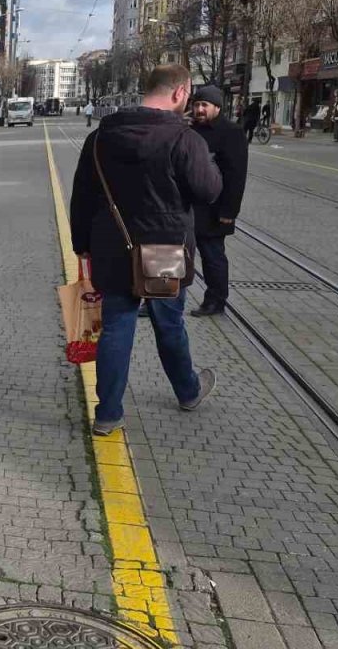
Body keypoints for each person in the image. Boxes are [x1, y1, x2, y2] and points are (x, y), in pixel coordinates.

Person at [69, 64, 222, 436]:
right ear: (180, 92)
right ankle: (188, 391)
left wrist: (81, 246)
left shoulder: (100, 138)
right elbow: (209, 192)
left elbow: (82, 197)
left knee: (116, 329)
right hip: (166, 252)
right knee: (169, 324)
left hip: (112, 248)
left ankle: (107, 413)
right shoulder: (185, 140)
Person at [189, 85, 248, 317]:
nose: (199, 109)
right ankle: (160, 298)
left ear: (217, 107)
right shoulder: (189, 129)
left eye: (205, 105)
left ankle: (216, 300)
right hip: (187, 207)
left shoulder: (231, 132)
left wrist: (229, 211)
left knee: (212, 256)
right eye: (196, 105)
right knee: (175, 255)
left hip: (214, 209)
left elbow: (236, 175)